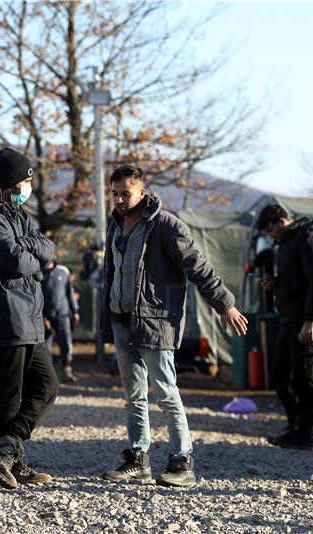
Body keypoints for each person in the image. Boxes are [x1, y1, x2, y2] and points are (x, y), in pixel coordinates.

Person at [100, 164, 248, 487]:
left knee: (166, 393)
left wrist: (225, 304)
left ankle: (183, 462)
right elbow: (110, 277)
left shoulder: (166, 227)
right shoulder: (115, 227)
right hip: (121, 321)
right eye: (115, 194)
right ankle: (138, 459)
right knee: (133, 396)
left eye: (126, 193)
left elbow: (199, 267)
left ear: (142, 191)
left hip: (154, 323)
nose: (120, 200)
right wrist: (106, 320)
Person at [0, 147, 59, 489]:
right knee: (8, 391)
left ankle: (8, 449)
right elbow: (17, 260)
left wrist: (32, 251)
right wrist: (34, 254)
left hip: (29, 316)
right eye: (24, 181)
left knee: (46, 385)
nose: (27, 188)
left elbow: (47, 247)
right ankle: (6, 461)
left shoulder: (17, 215)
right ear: (8, 183)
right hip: (5, 314)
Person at [256, 203, 313, 450]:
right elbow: (296, 279)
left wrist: (312, 320)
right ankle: (294, 424)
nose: (270, 236)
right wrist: (275, 283)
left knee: (303, 378)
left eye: (270, 231)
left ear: (281, 222)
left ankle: (304, 433)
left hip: (307, 321)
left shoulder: (309, 238)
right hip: (290, 318)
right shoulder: (287, 243)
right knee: (279, 375)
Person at [41, 260, 80, 383]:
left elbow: (69, 292)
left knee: (66, 343)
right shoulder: (38, 273)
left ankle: (66, 371)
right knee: (45, 347)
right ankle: (47, 376)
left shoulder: (63, 272)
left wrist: (75, 311)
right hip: (46, 317)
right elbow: (36, 298)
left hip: (63, 315)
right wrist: (42, 318)